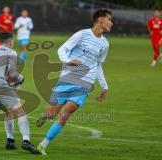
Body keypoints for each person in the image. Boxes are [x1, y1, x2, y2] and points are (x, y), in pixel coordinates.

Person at [36, 8, 113, 155]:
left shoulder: (105, 44)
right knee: (53, 111)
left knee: (66, 113)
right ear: (100, 20)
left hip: (85, 82)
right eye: (109, 19)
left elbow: (98, 65)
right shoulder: (82, 34)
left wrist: (104, 85)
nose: (111, 23)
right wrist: (68, 61)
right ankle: (46, 115)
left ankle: (43, 145)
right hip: (68, 77)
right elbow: (62, 49)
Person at [0, 31, 38, 154]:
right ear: (10, 41)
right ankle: (26, 141)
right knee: (20, 112)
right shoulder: (11, 52)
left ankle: (10, 140)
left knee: (8, 111)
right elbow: (13, 74)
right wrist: (21, 79)